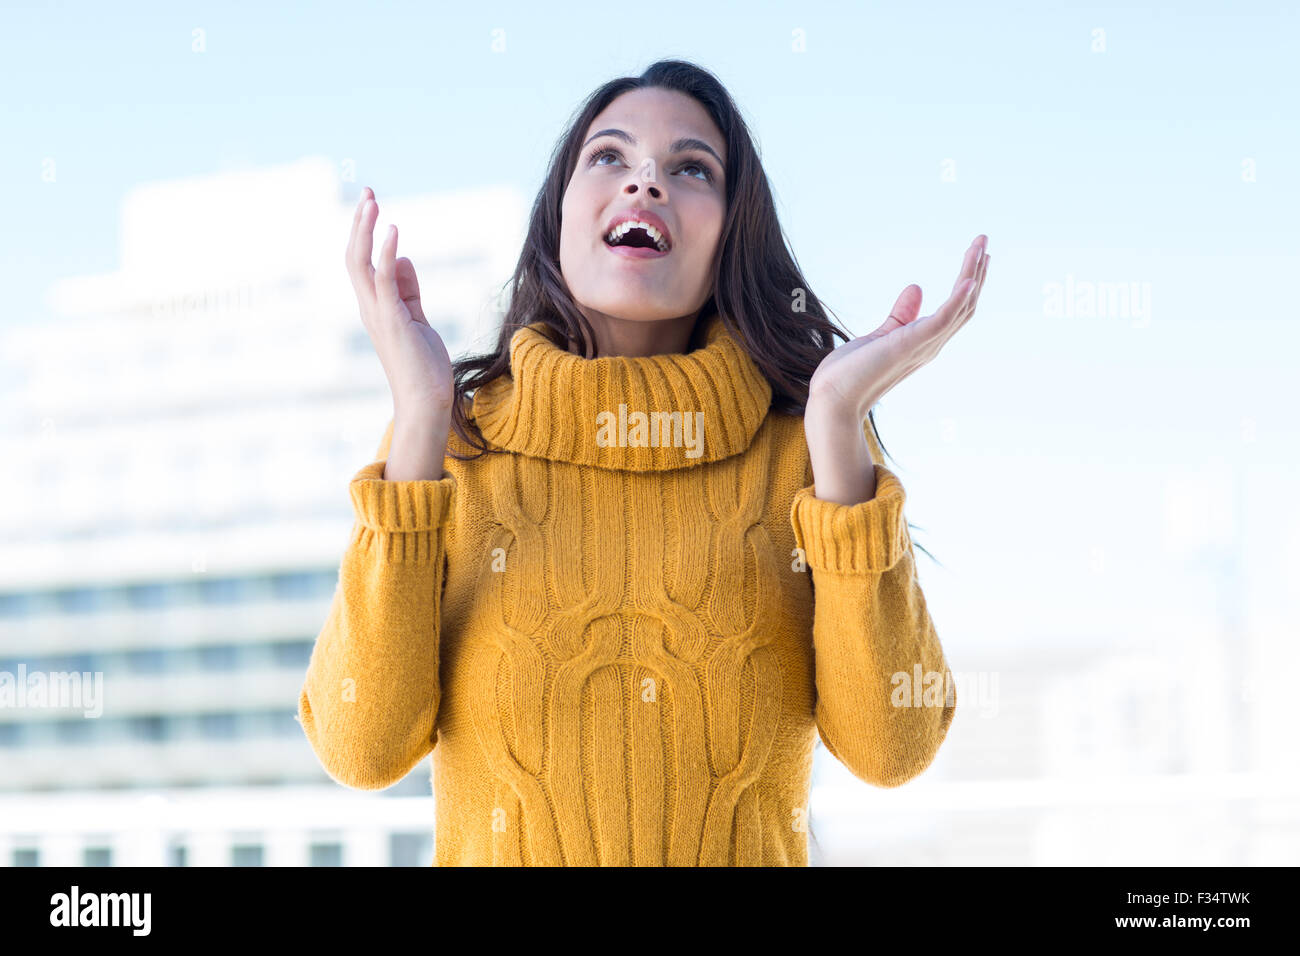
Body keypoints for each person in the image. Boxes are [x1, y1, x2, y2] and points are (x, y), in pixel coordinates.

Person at [298, 58, 988, 867]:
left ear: (733, 231)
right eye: (609, 157)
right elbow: (361, 749)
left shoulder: (804, 450)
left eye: (691, 167)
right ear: (559, 214)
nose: (645, 183)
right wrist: (420, 413)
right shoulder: (453, 439)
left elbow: (892, 749)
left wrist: (836, 422)